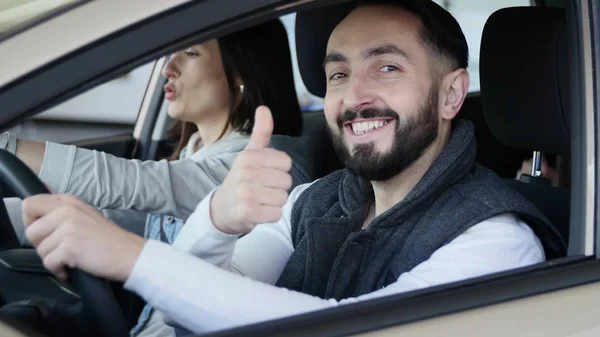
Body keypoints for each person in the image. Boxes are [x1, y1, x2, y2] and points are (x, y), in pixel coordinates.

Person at [21, 1, 565, 336]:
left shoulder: (499, 240)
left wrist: (128, 256)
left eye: (387, 67)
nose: (355, 97)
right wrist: (216, 220)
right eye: (337, 76)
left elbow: (340, 329)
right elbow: (192, 308)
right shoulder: (316, 199)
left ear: (452, 95)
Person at [2, 18, 311, 245]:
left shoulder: (262, 165)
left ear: (241, 73)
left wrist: (9, 146)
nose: (167, 67)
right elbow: (120, 217)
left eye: (189, 53)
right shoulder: (198, 151)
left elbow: (130, 183)